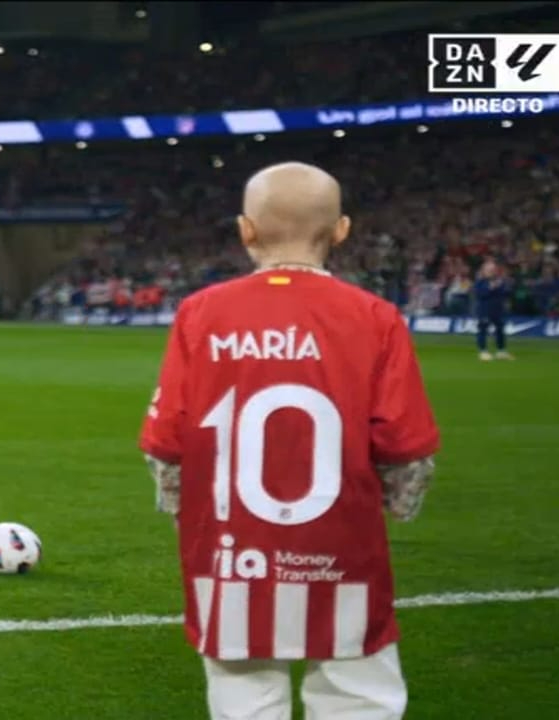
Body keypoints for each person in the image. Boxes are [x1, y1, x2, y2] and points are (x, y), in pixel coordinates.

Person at [138, 162, 440, 720]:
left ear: (245, 230)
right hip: (343, 548)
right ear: (342, 230)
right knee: (359, 696)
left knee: (244, 700)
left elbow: (166, 440)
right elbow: (406, 444)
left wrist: (183, 508)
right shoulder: (375, 317)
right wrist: (398, 507)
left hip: (230, 553)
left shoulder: (200, 313)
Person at [473, 259, 514, 361]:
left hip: (497, 309)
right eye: (489, 270)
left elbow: (506, 293)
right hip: (484, 310)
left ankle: (501, 351)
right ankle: (483, 351)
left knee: (500, 330)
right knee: (483, 330)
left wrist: (505, 286)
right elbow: (480, 295)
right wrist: (490, 288)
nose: (491, 272)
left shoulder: (500, 281)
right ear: (484, 271)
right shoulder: (480, 282)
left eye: (493, 270)